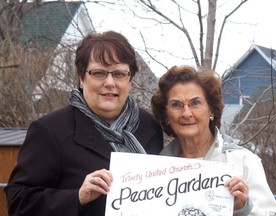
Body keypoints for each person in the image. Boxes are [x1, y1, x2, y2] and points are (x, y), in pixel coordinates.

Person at [5, 31, 163, 216]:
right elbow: (18, 202)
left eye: (119, 74)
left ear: (130, 80)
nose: (110, 82)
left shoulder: (150, 126)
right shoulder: (50, 131)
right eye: (98, 73)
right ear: (81, 78)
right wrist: (77, 196)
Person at [151, 65, 276, 215]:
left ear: (211, 109)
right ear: (166, 115)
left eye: (195, 103)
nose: (186, 113)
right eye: (176, 105)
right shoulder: (157, 168)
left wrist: (244, 208)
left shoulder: (242, 161)